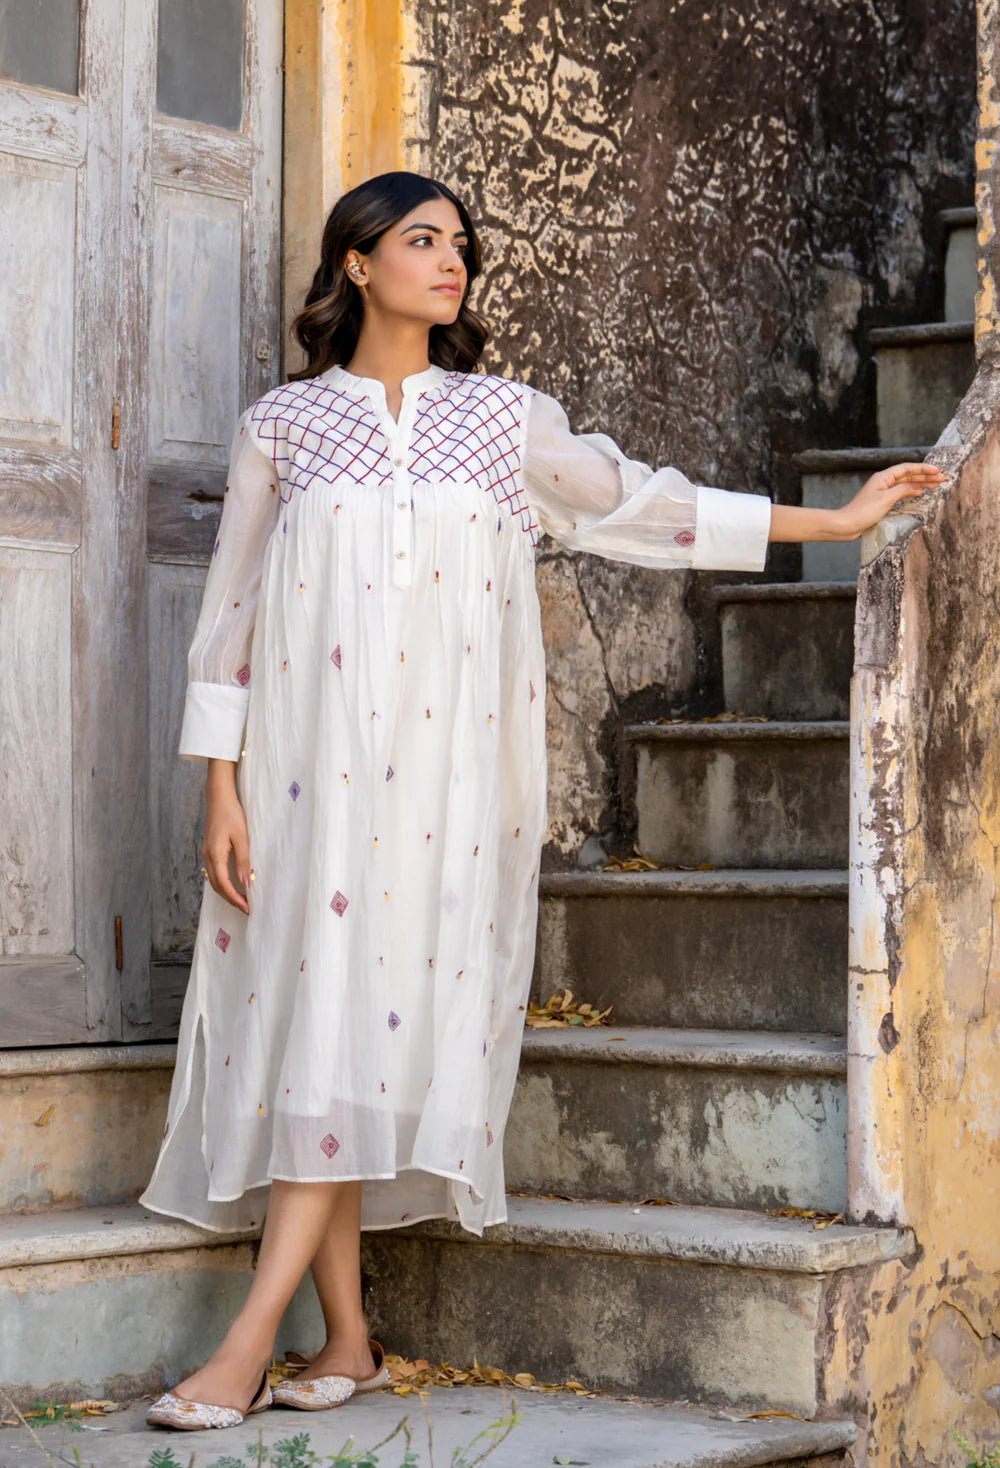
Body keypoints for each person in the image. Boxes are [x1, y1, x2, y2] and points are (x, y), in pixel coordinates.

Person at [141, 170, 943, 1430]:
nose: (451, 262)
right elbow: (228, 620)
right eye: (422, 241)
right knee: (314, 1041)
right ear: (356, 263)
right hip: (304, 786)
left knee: (350, 1042)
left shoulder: (503, 421)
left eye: (461, 244)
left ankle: (255, 1344)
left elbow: (645, 508)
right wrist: (220, 793)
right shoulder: (283, 429)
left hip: (445, 797)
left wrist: (832, 524)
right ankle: (343, 1341)